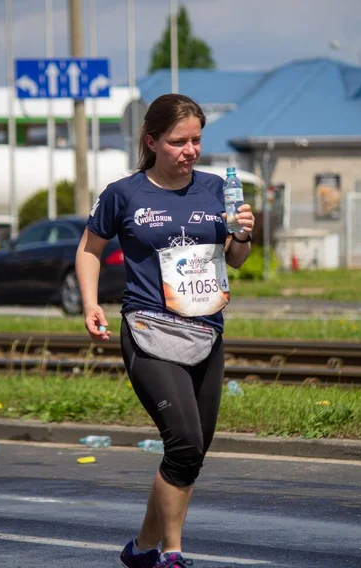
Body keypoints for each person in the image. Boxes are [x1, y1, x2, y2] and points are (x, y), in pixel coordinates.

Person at [75, 93, 255, 568]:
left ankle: (141, 549)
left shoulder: (218, 189)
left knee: (190, 454)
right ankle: (171, 554)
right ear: (151, 141)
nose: (190, 150)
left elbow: (235, 260)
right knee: (184, 443)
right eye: (179, 141)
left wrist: (243, 234)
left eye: (196, 139)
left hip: (206, 333)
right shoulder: (124, 193)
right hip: (149, 329)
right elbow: (90, 248)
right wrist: (91, 302)